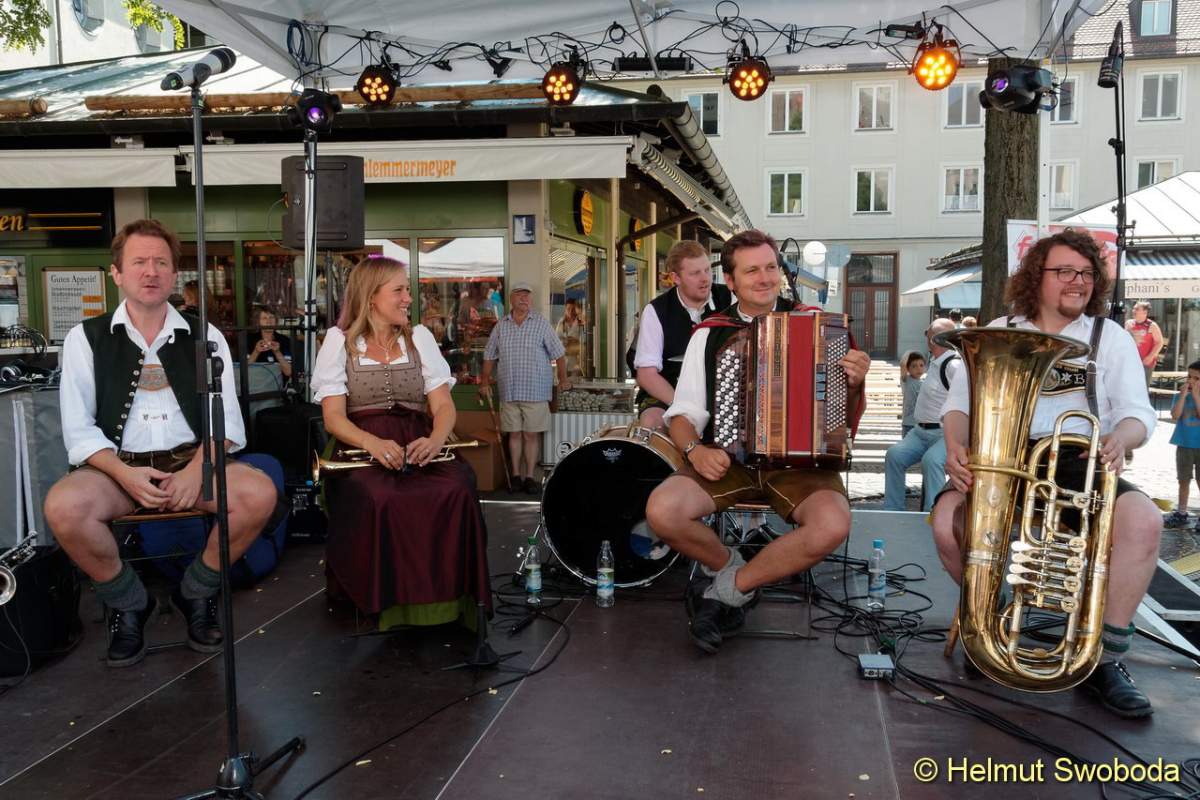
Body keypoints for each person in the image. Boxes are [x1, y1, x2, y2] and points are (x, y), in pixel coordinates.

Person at [931, 229, 1160, 718]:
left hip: (1078, 460)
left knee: (1144, 521)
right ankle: (986, 623)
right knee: (947, 524)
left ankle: (1104, 659)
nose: (1078, 282)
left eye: (1086, 273)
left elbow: (1139, 414)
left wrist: (1123, 439)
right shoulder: (999, 329)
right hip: (1003, 458)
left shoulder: (1109, 337)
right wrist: (955, 447)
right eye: (1065, 271)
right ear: (1037, 277)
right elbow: (959, 406)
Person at [42, 219, 277, 668]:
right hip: (118, 469)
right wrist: (124, 474)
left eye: (161, 263)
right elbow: (79, 429)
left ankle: (197, 592)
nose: (150, 271)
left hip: (192, 461)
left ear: (173, 274)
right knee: (64, 508)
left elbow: (227, 420)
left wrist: (194, 471)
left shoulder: (205, 334)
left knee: (259, 493)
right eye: (138, 262)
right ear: (117, 273)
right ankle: (129, 603)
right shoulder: (85, 338)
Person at [644, 229, 870, 654]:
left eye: (770, 267)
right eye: (751, 271)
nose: (765, 278)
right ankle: (730, 564)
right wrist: (695, 449)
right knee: (662, 510)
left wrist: (856, 381)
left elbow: (844, 412)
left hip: (802, 465)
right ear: (730, 281)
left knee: (833, 524)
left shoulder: (820, 326)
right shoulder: (710, 334)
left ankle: (729, 589)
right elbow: (683, 415)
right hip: (730, 461)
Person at [311, 256, 491, 626]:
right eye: (399, 290)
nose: (409, 298)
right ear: (371, 296)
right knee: (380, 496)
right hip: (360, 444)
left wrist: (436, 439)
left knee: (458, 486)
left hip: (419, 439)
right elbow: (334, 418)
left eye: (407, 290)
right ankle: (387, 600)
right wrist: (373, 443)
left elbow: (443, 406)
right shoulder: (339, 343)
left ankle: (449, 599)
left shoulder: (419, 338)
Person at [478, 282, 571, 495]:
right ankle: (515, 476)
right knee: (514, 434)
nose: (524, 299)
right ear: (511, 299)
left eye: (527, 295)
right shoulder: (501, 326)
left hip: (535, 390)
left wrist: (563, 379)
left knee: (530, 435)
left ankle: (529, 476)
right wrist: (484, 382)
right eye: (519, 295)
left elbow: (559, 354)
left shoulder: (541, 323)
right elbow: (489, 355)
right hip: (509, 390)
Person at [632, 240, 733, 430]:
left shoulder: (731, 298)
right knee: (652, 422)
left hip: (722, 390)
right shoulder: (656, 310)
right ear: (675, 278)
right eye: (695, 273)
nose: (705, 279)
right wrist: (682, 406)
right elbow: (646, 375)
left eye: (707, 270)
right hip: (670, 391)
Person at [883, 319, 959, 511]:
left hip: (944, 434)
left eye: (928, 335)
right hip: (920, 431)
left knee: (932, 461)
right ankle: (893, 511)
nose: (927, 339)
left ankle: (934, 514)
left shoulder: (953, 365)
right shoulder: (935, 361)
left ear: (935, 339)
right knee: (894, 456)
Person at [1164, 360, 1200, 530]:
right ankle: (1181, 512)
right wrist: (1183, 396)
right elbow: (1175, 415)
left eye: (1196, 378)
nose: (1191, 381)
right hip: (1184, 444)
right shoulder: (1180, 396)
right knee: (1183, 479)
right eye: (1189, 376)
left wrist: (1196, 397)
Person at [1124, 301, 1164, 388]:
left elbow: (1160, 342)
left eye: (1136, 309)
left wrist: (1150, 357)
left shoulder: (1152, 325)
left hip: (1145, 364)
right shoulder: (1128, 323)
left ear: (1145, 312)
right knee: (1129, 387)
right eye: (1133, 308)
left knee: (1142, 388)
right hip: (1130, 362)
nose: (1133, 311)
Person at [247, 304, 293, 379]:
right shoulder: (250, 339)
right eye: (264, 318)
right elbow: (244, 371)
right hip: (255, 383)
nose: (269, 321)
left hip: (278, 384)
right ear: (258, 322)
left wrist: (277, 352)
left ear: (276, 320)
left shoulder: (284, 340)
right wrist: (256, 351)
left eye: (271, 317)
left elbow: (289, 372)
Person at [555, 297, 585, 378]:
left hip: (577, 363)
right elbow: (556, 340)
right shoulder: (561, 322)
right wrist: (565, 342)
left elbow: (584, 342)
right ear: (565, 309)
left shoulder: (581, 322)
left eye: (573, 309)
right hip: (563, 362)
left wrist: (574, 342)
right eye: (568, 309)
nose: (571, 311)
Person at [899, 351, 926, 438]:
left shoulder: (925, 383)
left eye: (921, 365)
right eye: (914, 366)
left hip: (921, 424)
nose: (918, 368)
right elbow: (903, 364)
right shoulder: (906, 380)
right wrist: (911, 352)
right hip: (908, 424)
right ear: (908, 368)